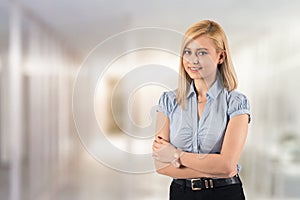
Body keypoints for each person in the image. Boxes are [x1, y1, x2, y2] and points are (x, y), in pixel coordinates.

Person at [152, 19, 251, 200]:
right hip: (180, 194)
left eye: (202, 53)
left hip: (225, 194)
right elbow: (161, 165)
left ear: (221, 57)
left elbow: (227, 166)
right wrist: (215, 167)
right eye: (188, 52)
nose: (193, 60)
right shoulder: (168, 101)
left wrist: (175, 154)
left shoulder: (236, 103)